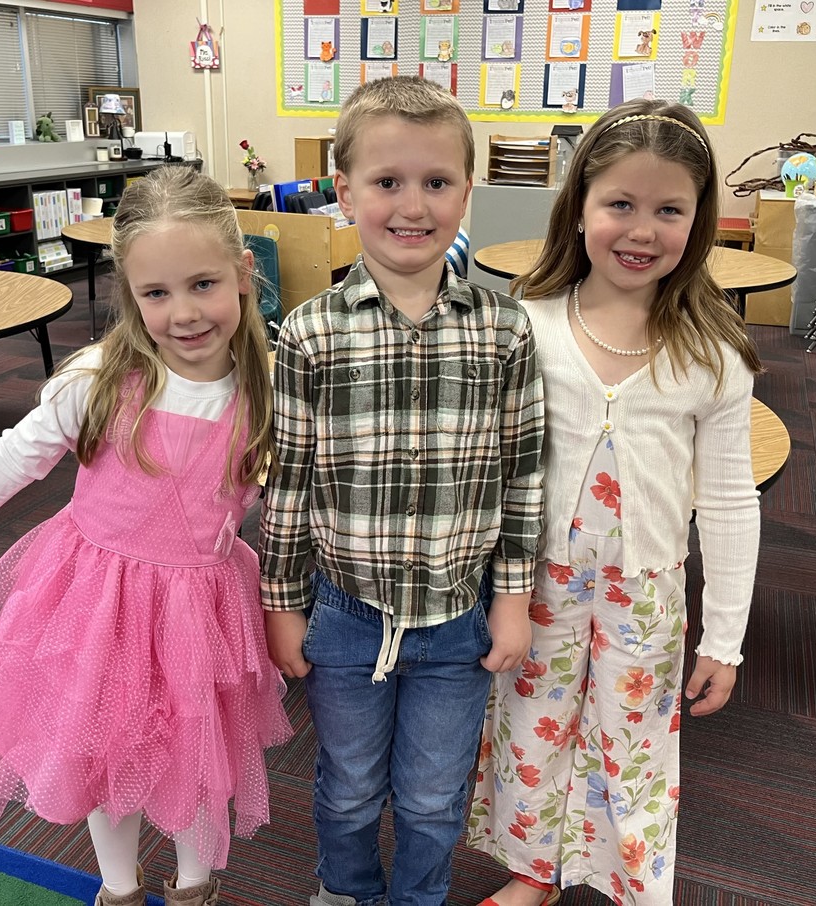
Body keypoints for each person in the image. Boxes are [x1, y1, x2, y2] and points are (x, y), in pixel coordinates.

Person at [0, 167, 292, 906]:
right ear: (129, 293)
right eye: (156, 293)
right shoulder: (101, 380)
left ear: (244, 274)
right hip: (95, 604)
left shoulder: (263, 389)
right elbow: (16, 455)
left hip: (199, 612)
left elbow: (283, 502)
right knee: (99, 750)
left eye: (203, 284)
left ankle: (195, 884)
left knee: (194, 752)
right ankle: (116, 888)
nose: (184, 313)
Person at [466, 98, 763, 906]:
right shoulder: (525, 326)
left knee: (629, 746)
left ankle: (629, 883)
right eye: (619, 205)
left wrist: (726, 639)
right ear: (580, 208)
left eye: (669, 209)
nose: (642, 229)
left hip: (648, 588)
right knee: (531, 731)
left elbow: (733, 502)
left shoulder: (714, 352)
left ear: (698, 220)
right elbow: (484, 469)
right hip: (537, 581)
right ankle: (536, 873)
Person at [259, 75, 546, 906]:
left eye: (436, 182)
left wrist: (514, 598)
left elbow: (522, 471)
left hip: (458, 616)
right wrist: (282, 604)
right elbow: (289, 483)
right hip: (345, 613)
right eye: (387, 183)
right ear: (344, 192)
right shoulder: (310, 332)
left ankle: (418, 897)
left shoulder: (504, 327)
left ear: (468, 189)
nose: (412, 206)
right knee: (346, 788)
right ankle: (344, 890)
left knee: (430, 796)